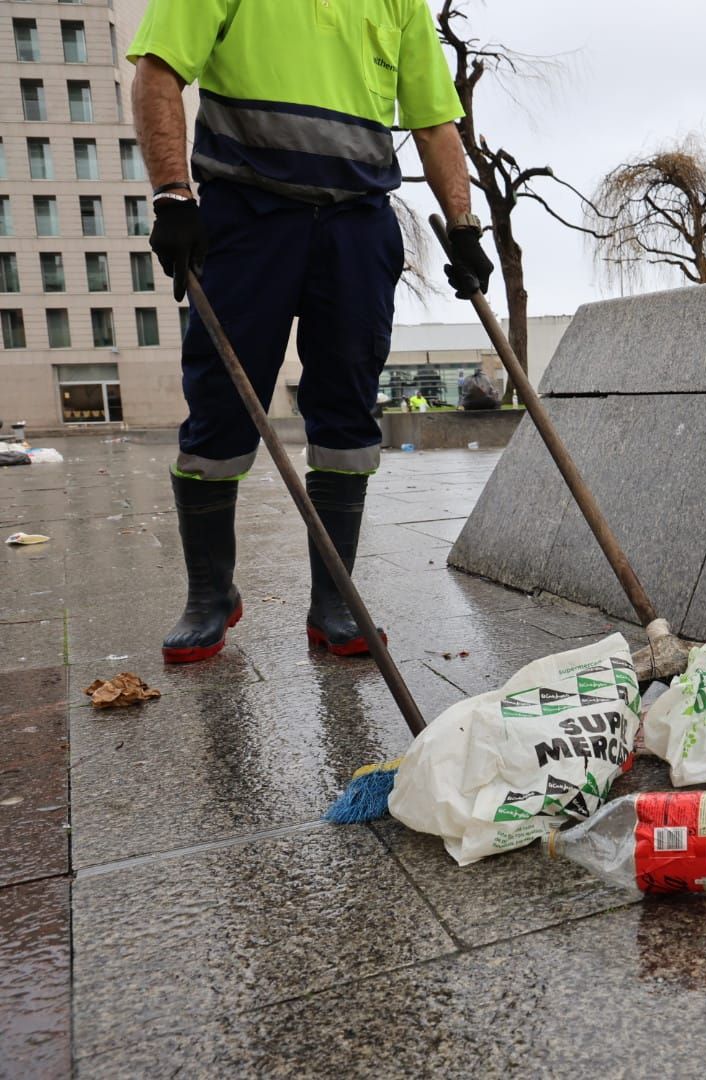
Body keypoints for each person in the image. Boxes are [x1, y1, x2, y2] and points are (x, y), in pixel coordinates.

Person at [128, 0, 493, 663]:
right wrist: (173, 194)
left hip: (358, 222)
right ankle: (210, 596)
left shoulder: (398, 3)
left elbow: (434, 122)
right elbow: (158, 72)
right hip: (247, 211)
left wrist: (464, 224)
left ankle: (334, 602)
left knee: (349, 414)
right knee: (221, 405)